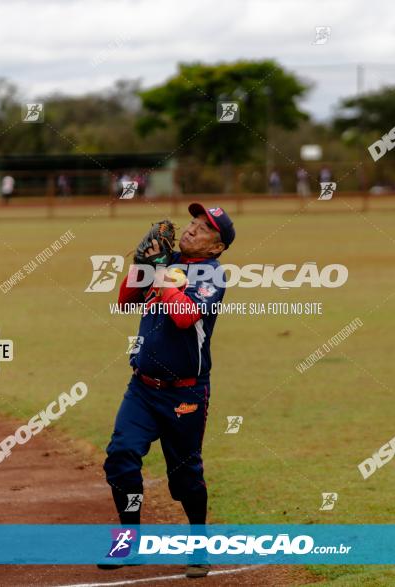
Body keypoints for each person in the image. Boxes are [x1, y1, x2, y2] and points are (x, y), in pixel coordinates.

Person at [101, 204, 236, 579]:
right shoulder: (167, 259)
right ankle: (128, 540)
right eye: (192, 223)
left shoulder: (213, 275)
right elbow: (125, 299)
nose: (192, 229)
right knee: (121, 456)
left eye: (204, 228)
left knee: (185, 478)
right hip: (142, 388)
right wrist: (140, 265)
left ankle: (199, 544)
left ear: (217, 247)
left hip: (186, 395)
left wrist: (160, 273)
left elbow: (185, 316)